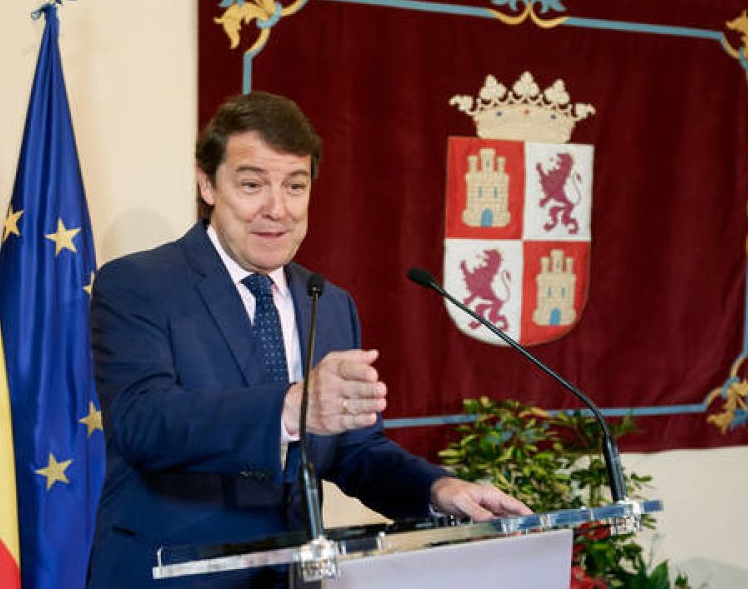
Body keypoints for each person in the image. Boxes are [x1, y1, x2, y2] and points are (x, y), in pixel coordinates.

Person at [87, 92, 530, 588]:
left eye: (295, 186)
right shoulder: (139, 283)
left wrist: (437, 489)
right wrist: (289, 407)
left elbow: (355, 450)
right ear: (207, 183)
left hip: (292, 576)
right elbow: (142, 421)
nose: (276, 209)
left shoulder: (329, 302)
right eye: (252, 185)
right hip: (171, 575)